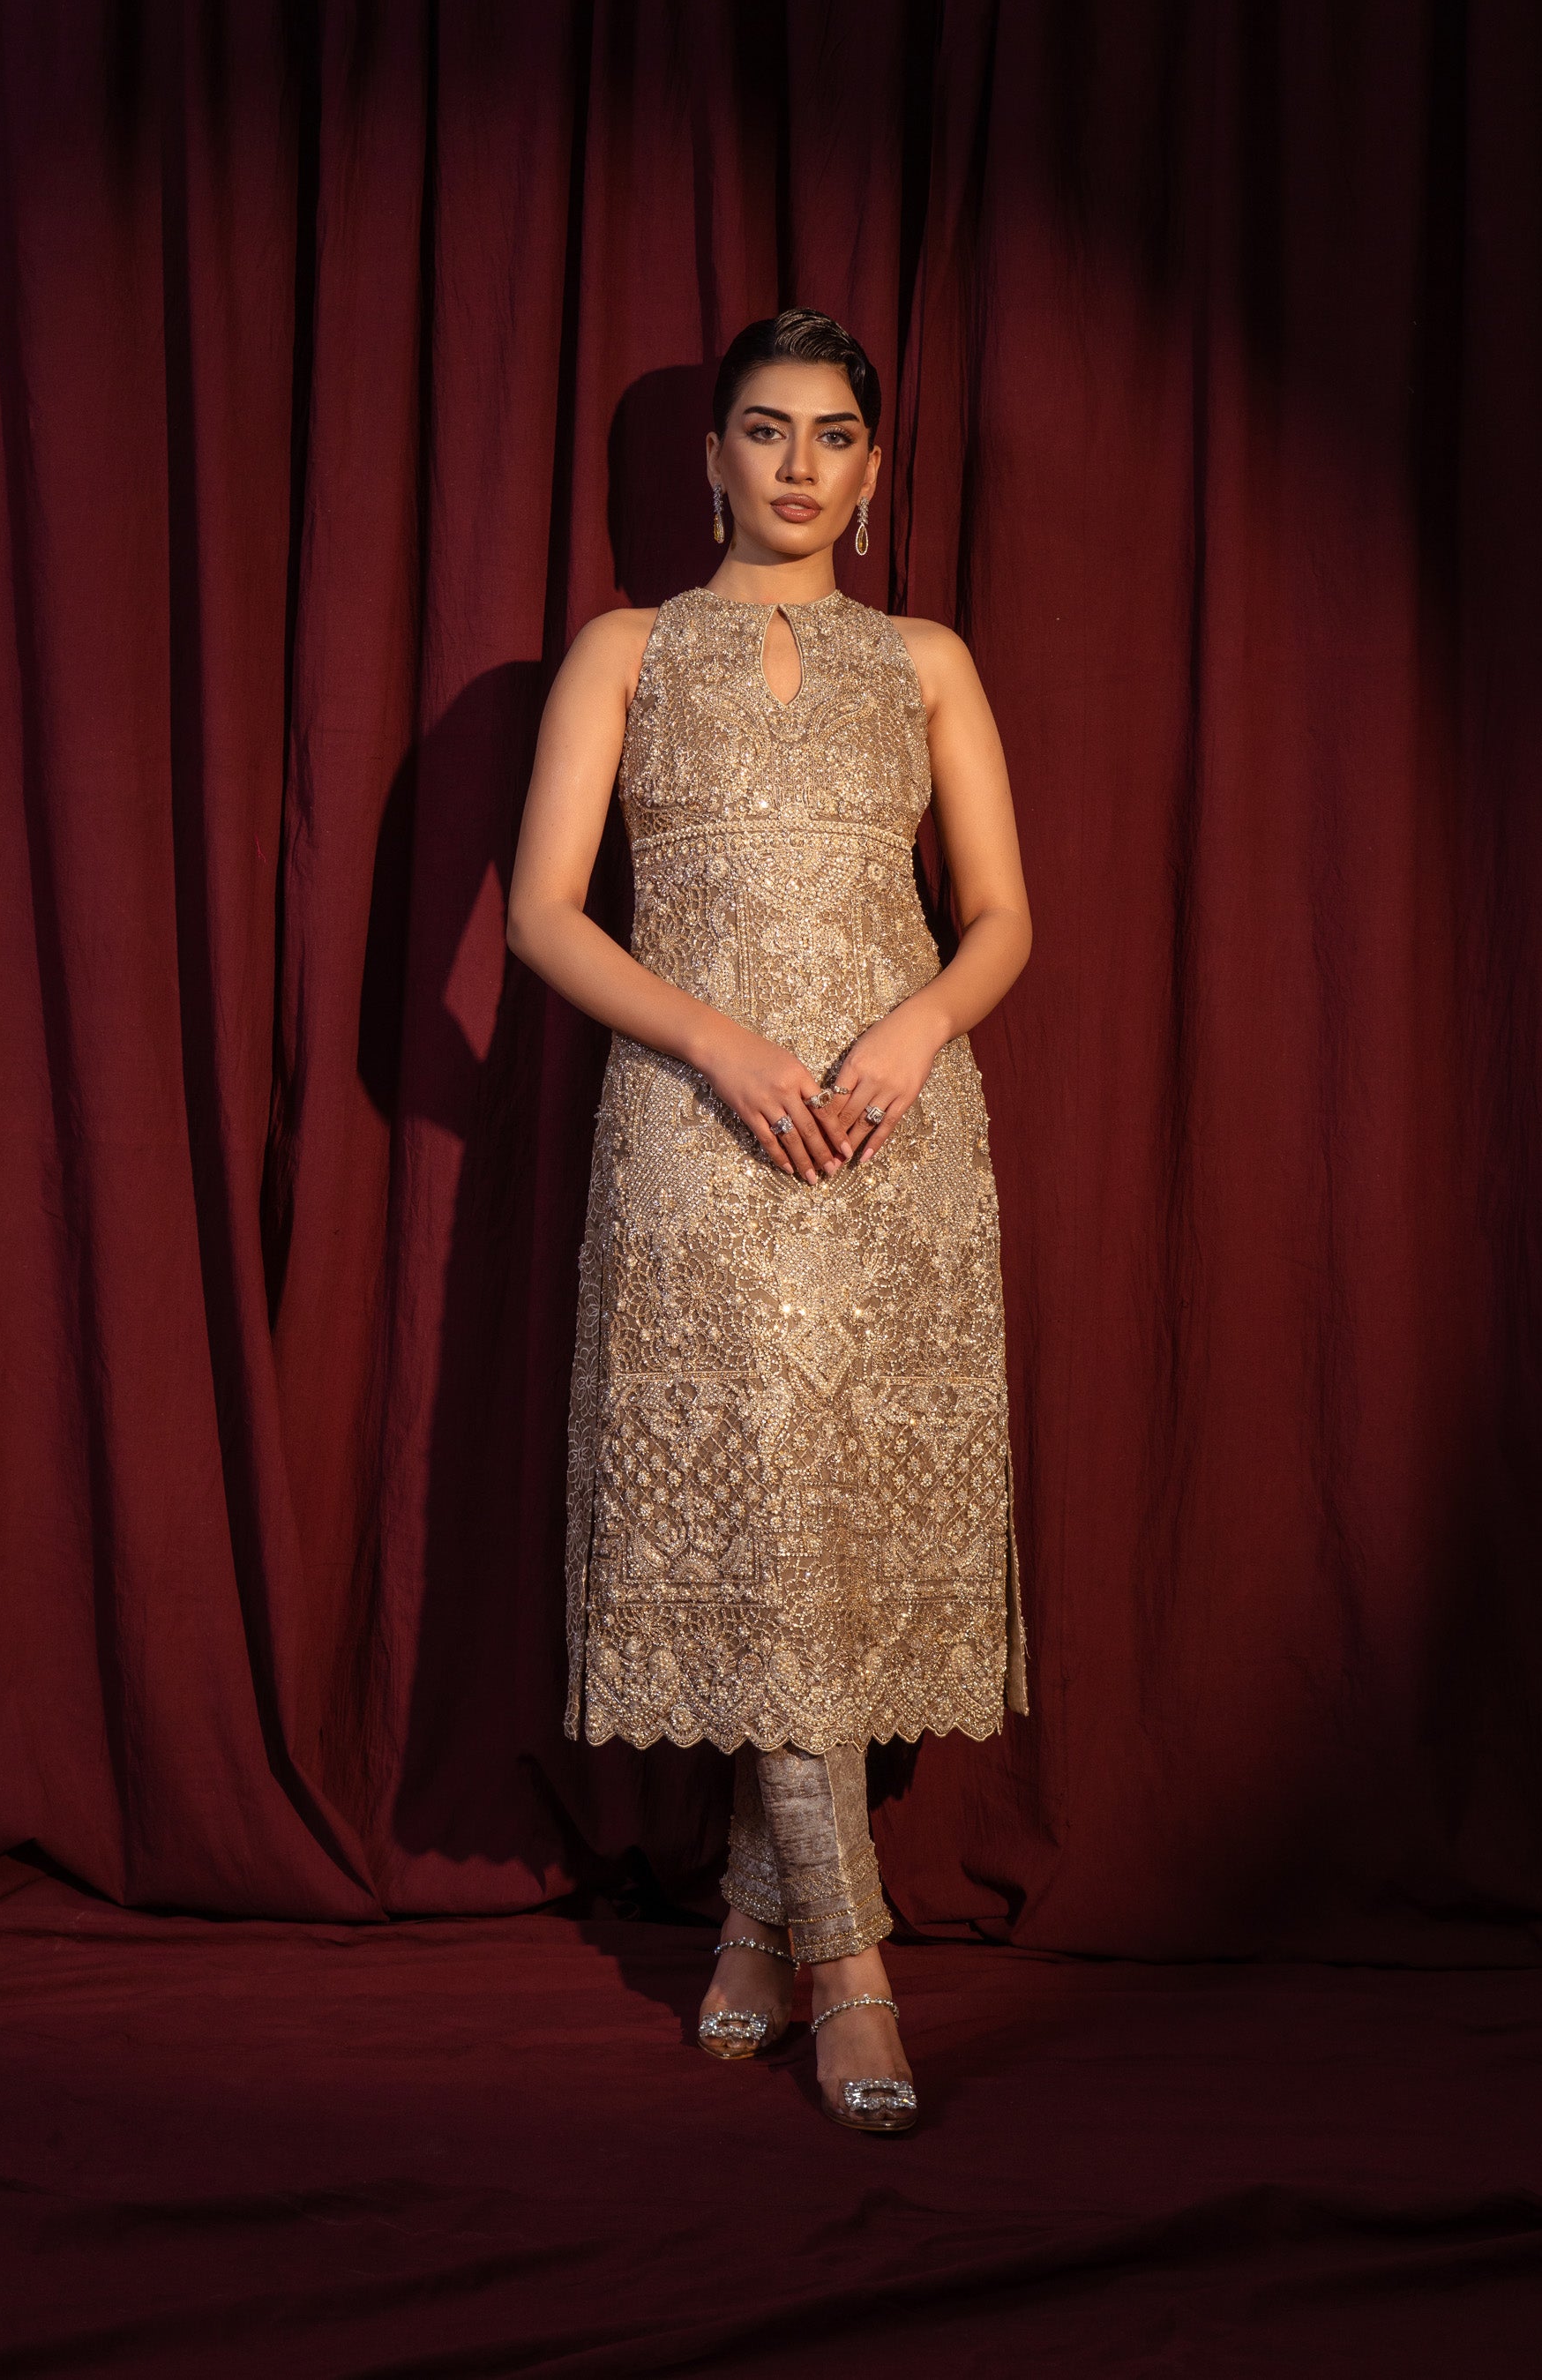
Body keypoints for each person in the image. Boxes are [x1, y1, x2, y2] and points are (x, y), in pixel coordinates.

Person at [506, 307, 1032, 2133]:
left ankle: (753, 1919)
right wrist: (717, 1041)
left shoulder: (931, 661)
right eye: (764, 429)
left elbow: (1003, 918)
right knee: (758, 1520)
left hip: (894, 1136)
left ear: (872, 473)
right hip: (694, 1130)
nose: (799, 465)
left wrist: (916, 1026)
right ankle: (851, 1963)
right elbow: (543, 915)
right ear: (710, 458)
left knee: (832, 1524)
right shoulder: (627, 651)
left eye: (833, 435)